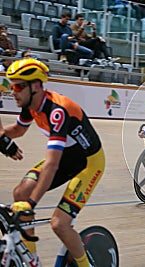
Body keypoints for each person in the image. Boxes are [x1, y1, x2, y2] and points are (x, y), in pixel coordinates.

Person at [4, 58, 105, 267]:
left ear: (36, 86)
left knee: (59, 224)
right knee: (20, 193)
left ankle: (86, 265)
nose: (14, 91)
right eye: (12, 85)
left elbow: (52, 164)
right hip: (67, 157)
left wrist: (31, 204)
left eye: (19, 86)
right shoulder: (30, 103)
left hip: (88, 164)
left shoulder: (57, 111)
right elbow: (18, 130)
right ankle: (31, 259)